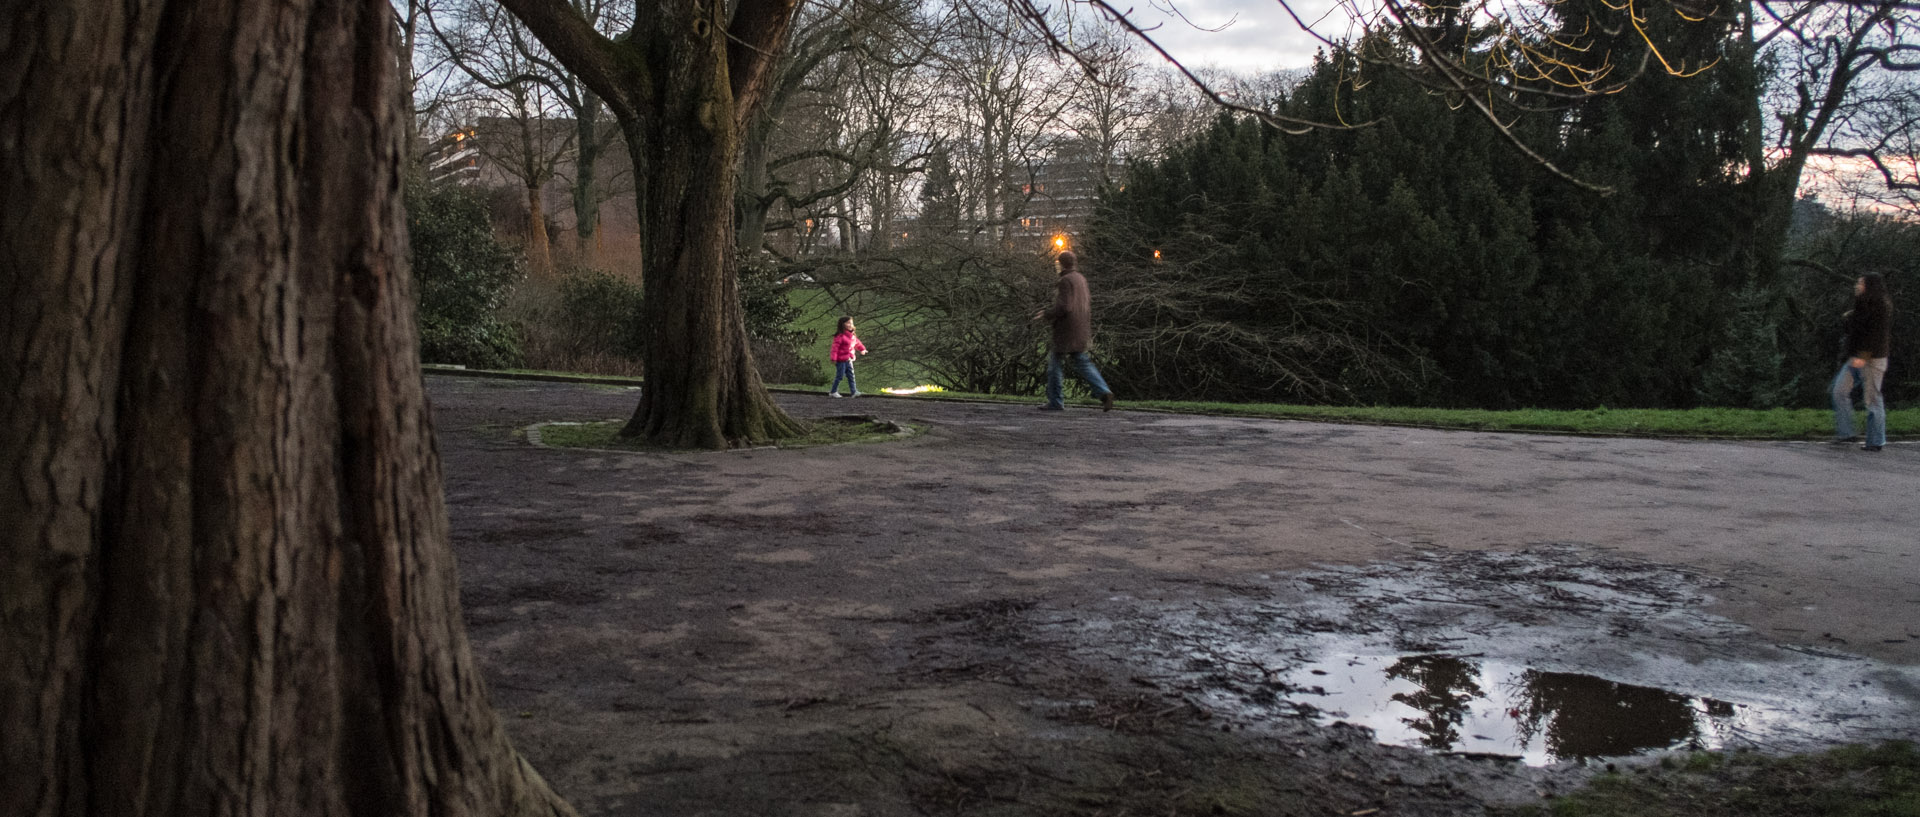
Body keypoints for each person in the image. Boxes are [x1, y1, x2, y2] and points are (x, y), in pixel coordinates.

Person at [1031, 250, 1116, 412]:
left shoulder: (1065, 280)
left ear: (1061, 264)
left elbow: (1065, 306)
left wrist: (1047, 314)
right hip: (1081, 327)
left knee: (1055, 365)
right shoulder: (1081, 279)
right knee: (1082, 361)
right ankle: (1104, 391)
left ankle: (1056, 401)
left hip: (1066, 330)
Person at [1831, 272, 1893, 451]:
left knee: (1873, 399)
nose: (1856, 285)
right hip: (1856, 357)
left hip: (1870, 360)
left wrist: (1862, 356)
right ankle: (1846, 433)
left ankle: (1875, 441)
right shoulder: (1862, 304)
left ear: (1868, 286)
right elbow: (1855, 331)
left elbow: (1876, 337)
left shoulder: (1880, 306)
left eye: (1860, 283)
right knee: (1839, 391)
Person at [827, 315, 868, 398]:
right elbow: (835, 348)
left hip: (849, 359)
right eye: (848, 323)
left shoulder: (852, 336)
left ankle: (854, 391)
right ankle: (833, 391)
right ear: (843, 324)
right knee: (840, 376)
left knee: (851, 376)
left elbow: (857, 343)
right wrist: (833, 358)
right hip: (841, 360)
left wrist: (862, 349)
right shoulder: (840, 336)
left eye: (851, 323)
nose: (850, 325)